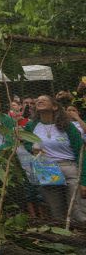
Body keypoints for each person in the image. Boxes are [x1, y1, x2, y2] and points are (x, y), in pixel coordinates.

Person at [24, 95, 86, 223]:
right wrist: (32, 148)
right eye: (38, 100)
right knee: (56, 211)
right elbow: (25, 142)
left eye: (44, 100)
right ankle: (64, 239)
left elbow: (81, 151)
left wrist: (84, 181)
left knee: (77, 211)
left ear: (55, 106)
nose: (39, 101)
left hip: (69, 167)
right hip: (47, 168)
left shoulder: (67, 126)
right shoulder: (31, 126)